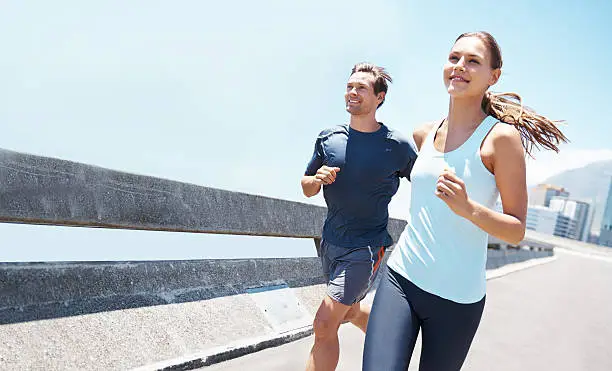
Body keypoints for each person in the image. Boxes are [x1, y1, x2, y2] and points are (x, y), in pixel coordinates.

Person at [362, 31, 567, 371]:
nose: (459, 67)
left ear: (493, 76)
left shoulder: (501, 138)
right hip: (402, 279)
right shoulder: (424, 134)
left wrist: (468, 208)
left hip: (457, 301)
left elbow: (516, 230)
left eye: (473, 61)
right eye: (454, 58)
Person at [301, 62, 417, 371]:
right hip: (331, 243)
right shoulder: (329, 137)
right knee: (348, 312)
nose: (353, 92)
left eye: (361, 88)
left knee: (325, 323)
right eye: (350, 86)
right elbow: (306, 186)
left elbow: (426, 183)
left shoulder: (397, 146)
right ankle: (392, 345)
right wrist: (317, 179)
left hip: (366, 249)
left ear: (379, 97)